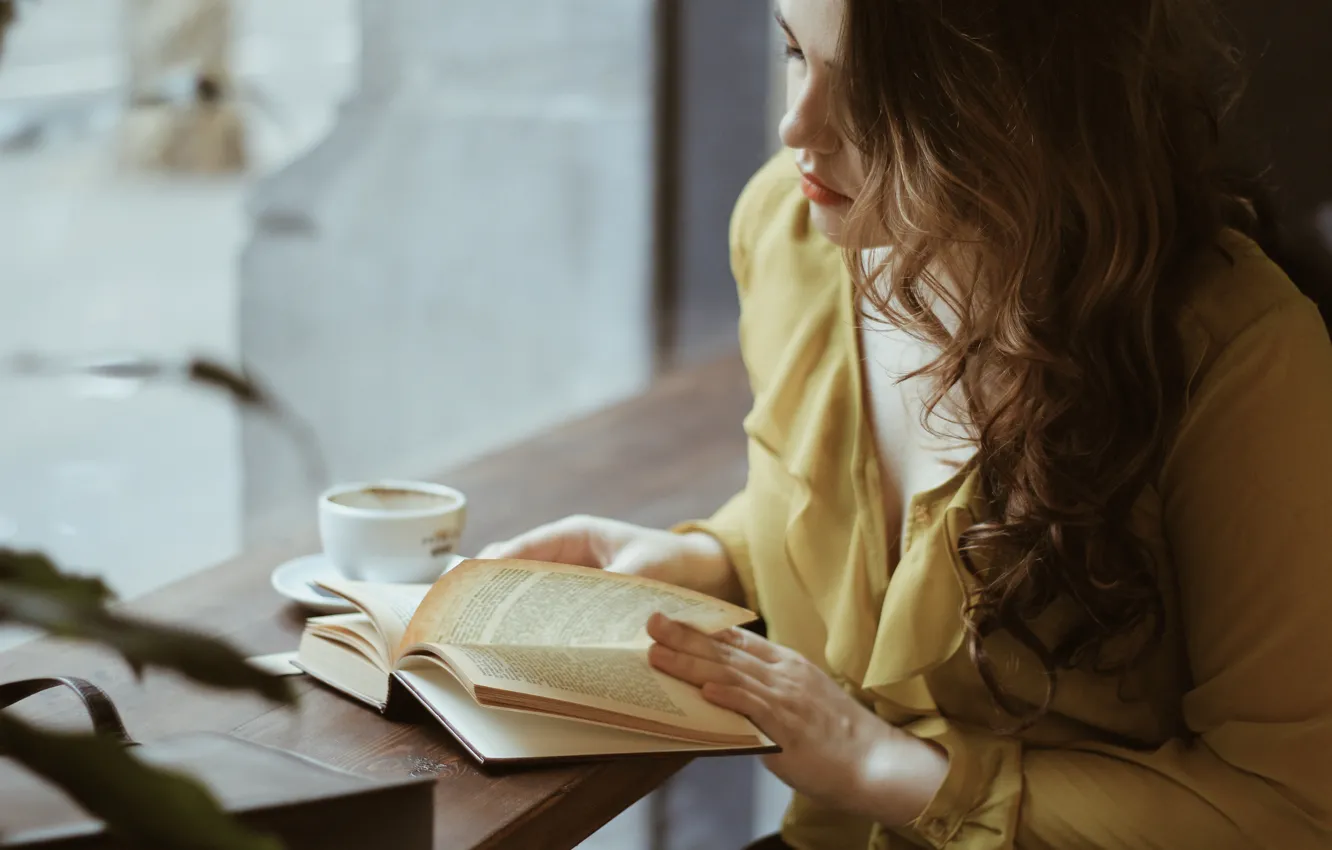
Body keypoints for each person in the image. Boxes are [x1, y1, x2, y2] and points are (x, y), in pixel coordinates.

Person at [479, 0, 1332, 847]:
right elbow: (862, 544)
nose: (796, 125)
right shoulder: (791, 234)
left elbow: (1289, 808)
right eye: (792, 52)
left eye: (876, 92)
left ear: (1019, 95)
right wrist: (710, 562)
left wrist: (887, 769)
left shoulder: (1241, 357)